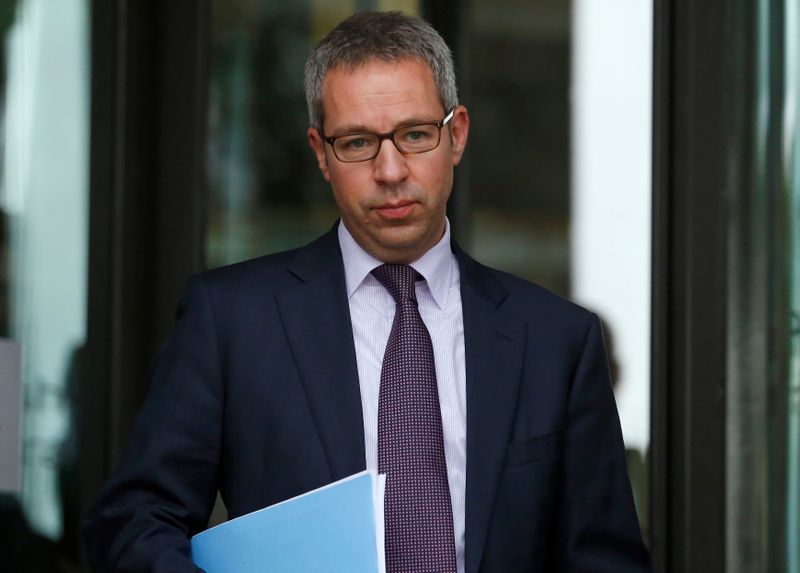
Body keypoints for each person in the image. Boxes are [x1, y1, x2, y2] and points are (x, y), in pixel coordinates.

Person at [84, 11, 650, 573]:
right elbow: (135, 519)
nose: (390, 169)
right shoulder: (233, 322)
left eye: (415, 135)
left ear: (456, 135)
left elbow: (603, 558)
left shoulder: (555, 341)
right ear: (320, 153)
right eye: (357, 142)